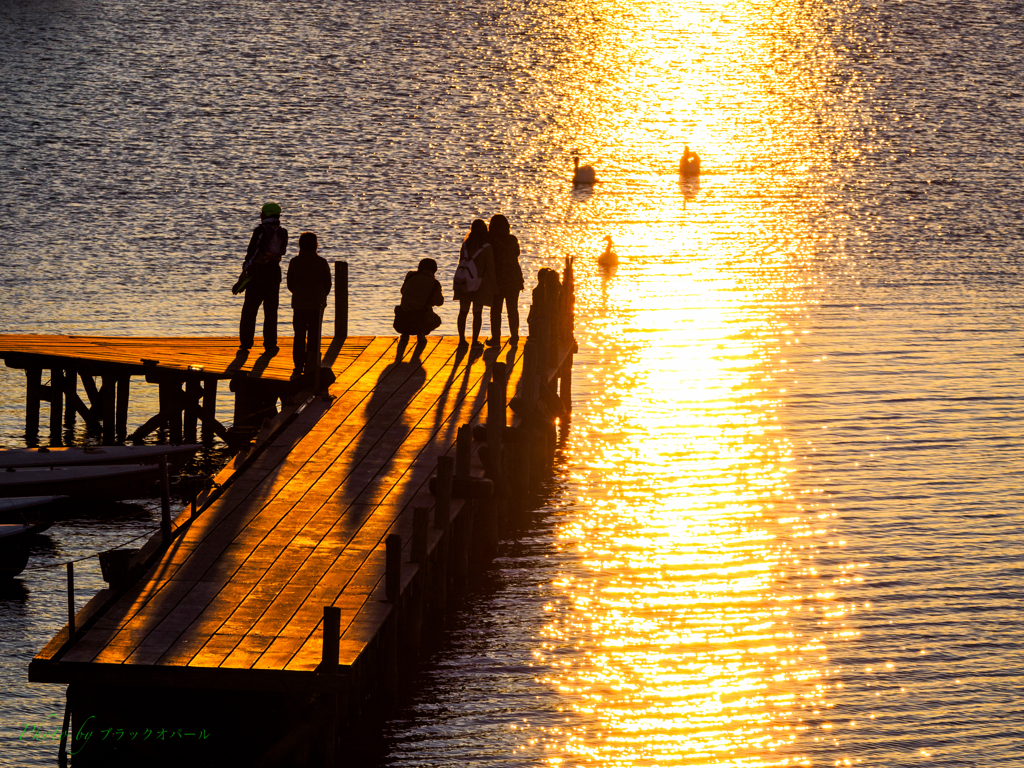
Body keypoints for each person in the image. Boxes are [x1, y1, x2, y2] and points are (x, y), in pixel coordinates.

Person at [238, 202, 288, 352]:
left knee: (250, 310)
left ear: (266, 214)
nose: (260, 215)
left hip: (258, 273)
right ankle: (270, 344)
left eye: (262, 212)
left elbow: (252, 252)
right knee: (271, 311)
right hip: (275, 273)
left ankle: (246, 343)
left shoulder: (260, 230)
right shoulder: (283, 231)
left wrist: (244, 271)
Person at [286, 232, 332, 376]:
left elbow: (290, 284)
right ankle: (312, 366)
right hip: (316, 304)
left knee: (299, 335)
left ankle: (298, 365)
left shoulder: (294, 262)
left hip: (299, 304)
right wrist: (321, 296)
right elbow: (328, 285)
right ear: (315, 245)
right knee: (314, 336)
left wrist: (299, 293)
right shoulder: (322, 262)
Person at [453, 219, 495, 348]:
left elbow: (461, 262)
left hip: (464, 281)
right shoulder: (486, 247)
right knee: (477, 313)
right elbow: (490, 268)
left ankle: (461, 340)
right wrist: (495, 286)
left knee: (463, 312)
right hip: (479, 284)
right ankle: (474, 341)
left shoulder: (466, 245)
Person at [486, 214, 524, 347]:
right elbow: (517, 254)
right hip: (514, 278)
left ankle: (496, 339)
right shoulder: (513, 239)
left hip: (498, 279)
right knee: (512, 309)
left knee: (496, 310)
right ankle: (514, 337)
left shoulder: (491, 241)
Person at [394, 258, 444, 357]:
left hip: (401, 320)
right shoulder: (434, 284)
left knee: (409, 307)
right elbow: (439, 302)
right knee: (436, 320)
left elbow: (402, 291)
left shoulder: (410, 275)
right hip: (418, 320)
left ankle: (405, 334)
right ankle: (420, 334)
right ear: (434, 270)